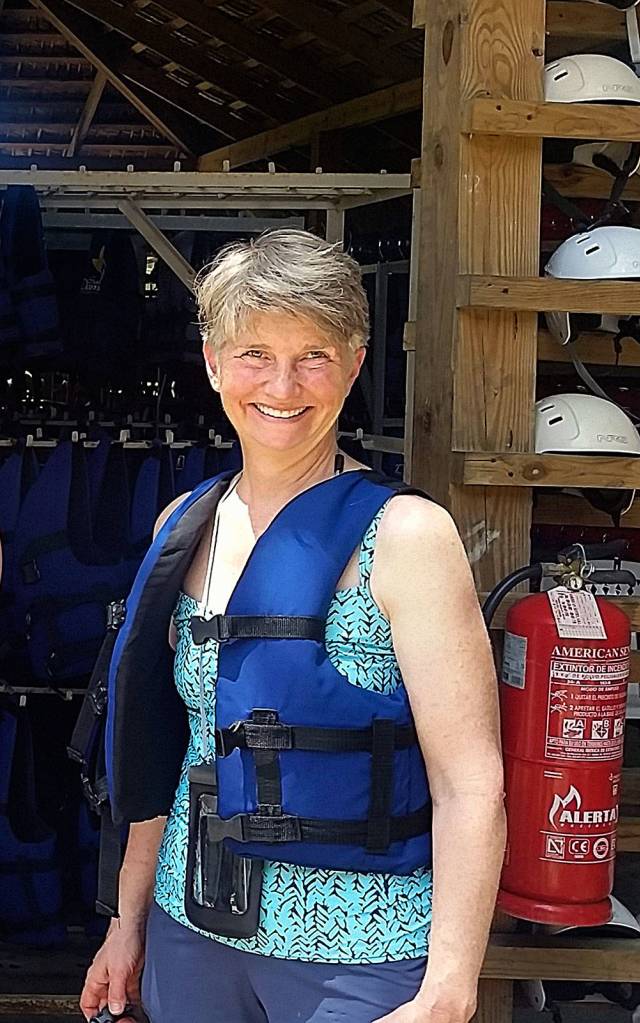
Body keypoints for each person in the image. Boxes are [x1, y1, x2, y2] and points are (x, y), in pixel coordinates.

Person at [79, 229, 506, 1023]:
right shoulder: (184, 525)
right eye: (253, 353)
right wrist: (125, 923)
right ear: (212, 362)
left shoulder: (408, 536)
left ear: (353, 362)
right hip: (191, 931)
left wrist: (449, 989)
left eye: (313, 354)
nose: (283, 382)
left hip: (361, 955)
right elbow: (164, 751)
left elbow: (470, 779)